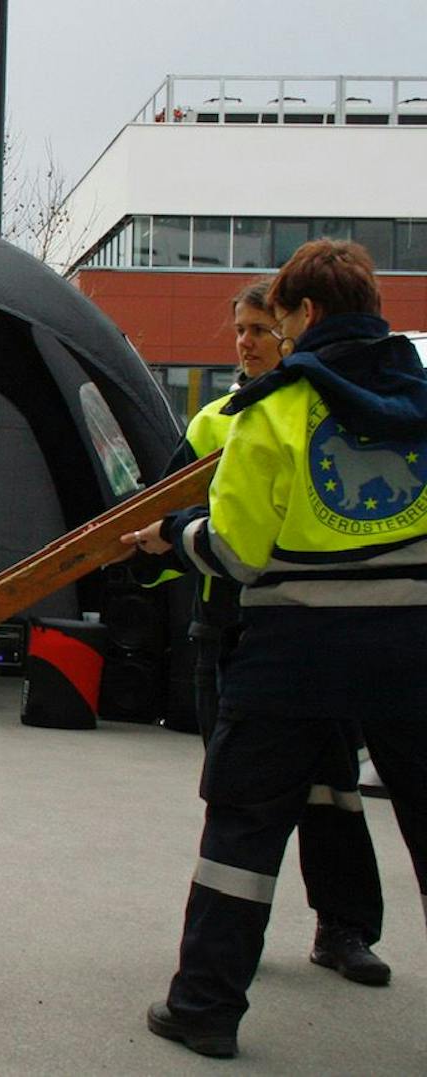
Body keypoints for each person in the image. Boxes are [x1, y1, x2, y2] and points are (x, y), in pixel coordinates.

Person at [122, 240, 427, 1058]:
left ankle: (206, 1008)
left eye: (281, 318)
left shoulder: (277, 410)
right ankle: (344, 928)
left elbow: (239, 550)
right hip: (413, 646)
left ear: (309, 316)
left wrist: (178, 534)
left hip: (297, 647)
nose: (275, 336)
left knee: (245, 830)